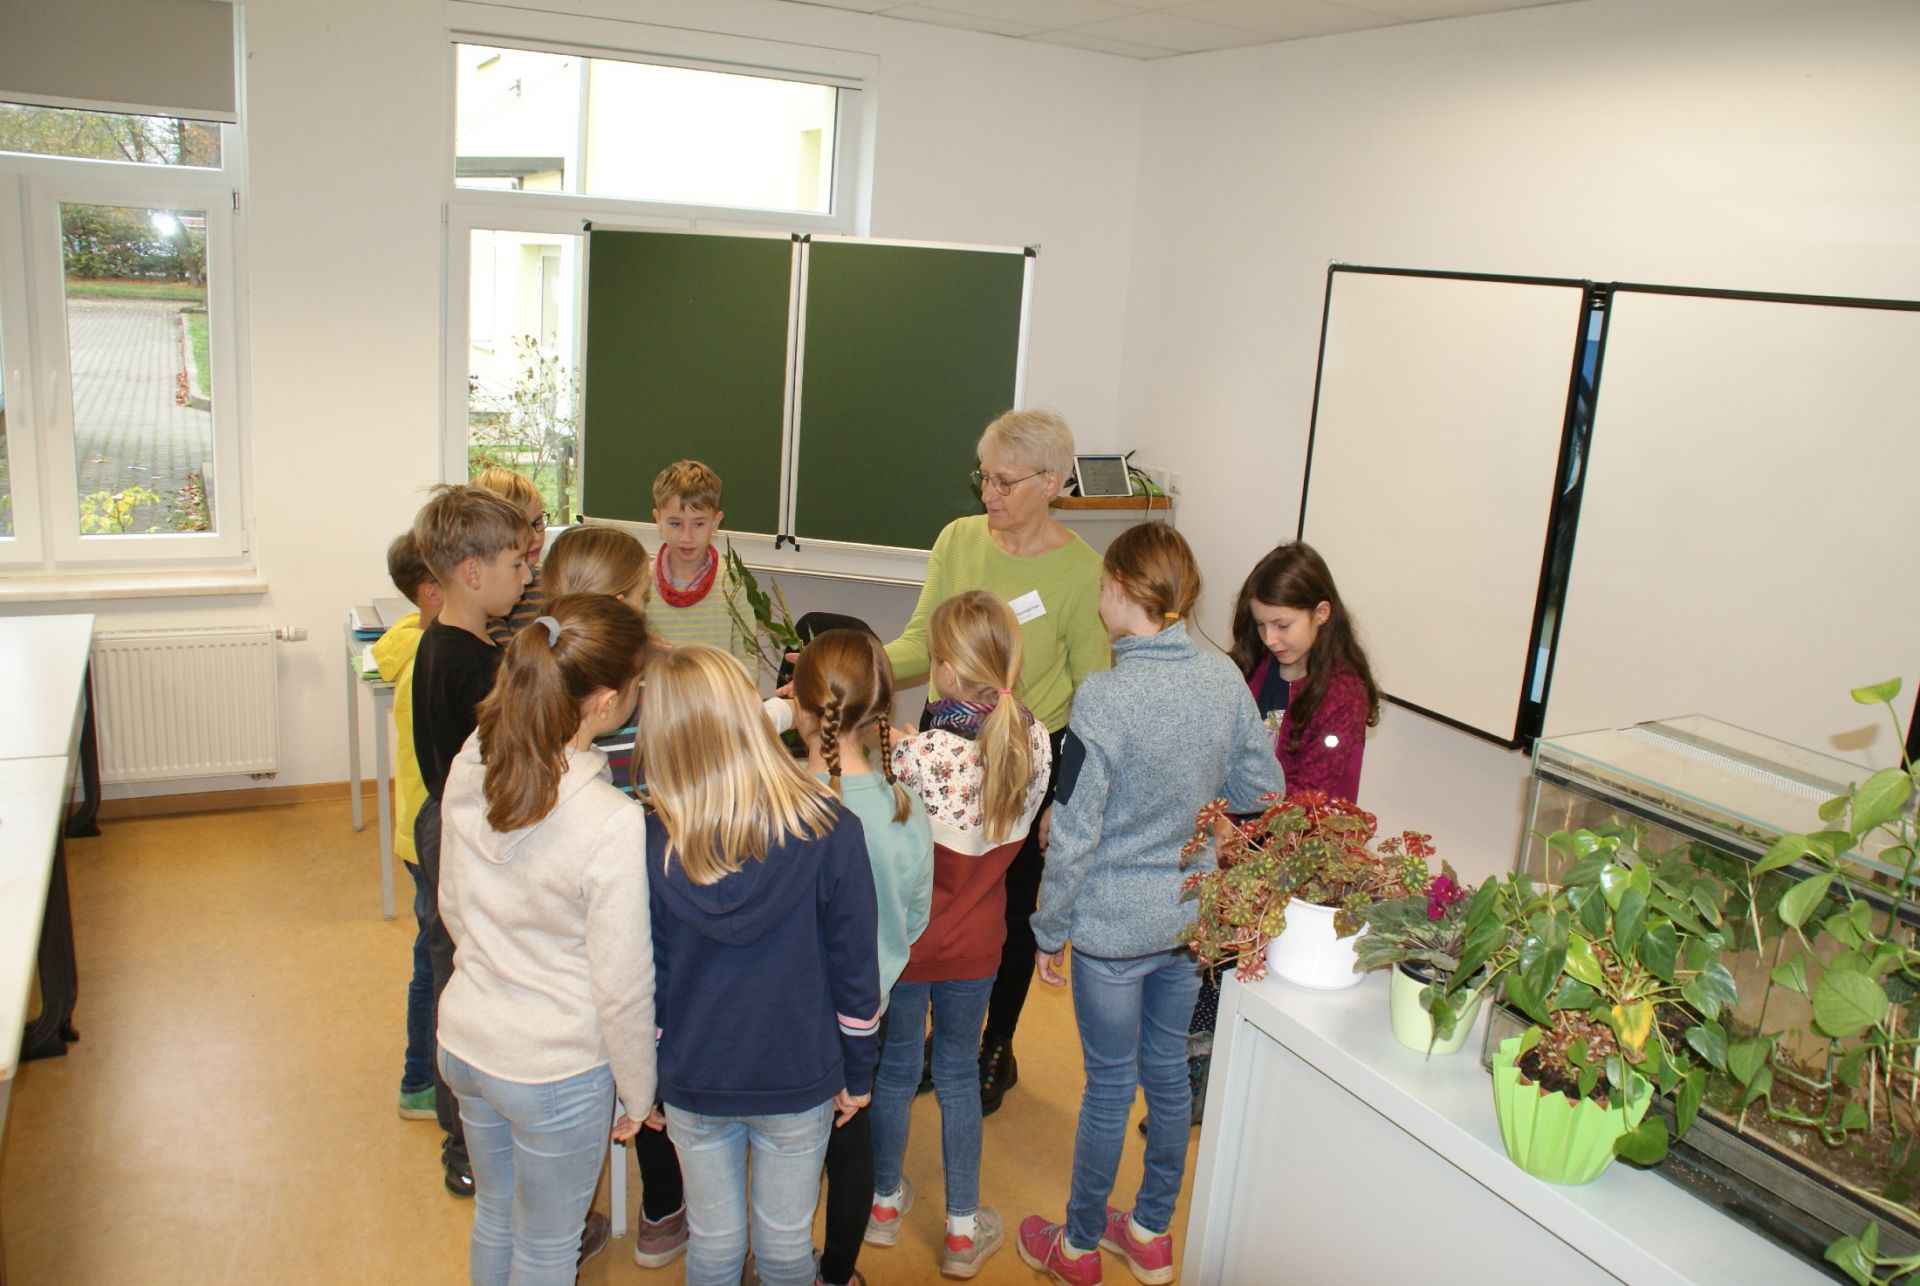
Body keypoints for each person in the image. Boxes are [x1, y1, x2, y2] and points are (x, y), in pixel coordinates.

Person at [1017, 523, 1282, 1286]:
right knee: (1166, 1072)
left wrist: (1049, 929)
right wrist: (1192, 799)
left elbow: (1073, 833)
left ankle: (1076, 1248)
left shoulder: (1103, 698)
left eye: (1103, 584)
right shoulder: (1223, 679)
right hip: (1186, 922)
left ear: (1123, 592)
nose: (1099, 597)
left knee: (1108, 1087)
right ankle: (1150, 1232)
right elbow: (1263, 788)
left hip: (1111, 931)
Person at [883, 409, 1109, 1115]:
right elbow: (921, 644)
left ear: (1052, 482)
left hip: (1026, 761)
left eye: (1005, 481)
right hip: (944, 745)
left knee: (1007, 911)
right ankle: (937, 1033)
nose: (989, 493)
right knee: (928, 896)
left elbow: (1095, 697)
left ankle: (994, 1046)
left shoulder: (1082, 572)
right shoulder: (958, 540)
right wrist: (852, 669)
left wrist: (1067, 802)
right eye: (984, 476)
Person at [642, 646, 882, 1286]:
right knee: (784, 1248)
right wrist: (858, 1069)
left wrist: (645, 1076)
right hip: (799, 1076)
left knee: (714, 1246)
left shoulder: (652, 841)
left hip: (693, 1076)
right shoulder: (833, 829)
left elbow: (650, 979)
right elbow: (856, 973)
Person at [436, 594, 657, 1286]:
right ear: (606, 704)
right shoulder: (610, 821)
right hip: (553, 1069)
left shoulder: (473, 761)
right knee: (547, 1247)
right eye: (637, 685)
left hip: (467, 1039)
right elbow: (621, 984)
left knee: (496, 1216)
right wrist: (639, 1091)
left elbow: (452, 905)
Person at [867, 591, 1052, 1280]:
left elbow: (892, 830)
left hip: (910, 945)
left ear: (944, 672)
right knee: (956, 1074)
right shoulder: (1032, 740)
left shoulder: (918, 754)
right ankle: (962, 1232)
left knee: (894, 1070)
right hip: (978, 947)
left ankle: (883, 1207)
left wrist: (897, 752)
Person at [791, 632, 934, 1286]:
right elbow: (914, 915)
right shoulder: (906, 807)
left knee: (786, 1149)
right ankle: (837, 1273)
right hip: (864, 1012)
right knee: (852, 1143)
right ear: (881, 707)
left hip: (789, 1013)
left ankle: (782, 1261)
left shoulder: (778, 801)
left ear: (800, 706)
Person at [410, 483, 533, 1197]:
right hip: (465, 834)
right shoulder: (474, 664)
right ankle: (466, 1144)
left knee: (455, 971)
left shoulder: (449, 642)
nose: (527, 574)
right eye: (517, 564)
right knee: (464, 980)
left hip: (447, 823)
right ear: (472, 572)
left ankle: (465, 1131)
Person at [373, 532, 445, 1124]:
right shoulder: (431, 654)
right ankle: (419, 1080)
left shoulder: (408, 635)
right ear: (432, 590)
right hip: (431, 835)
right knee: (433, 960)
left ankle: (424, 1075)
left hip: (418, 831)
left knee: (432, 952)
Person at [1229, 540, 1380, 802]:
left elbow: (1308, 795)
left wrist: (1234, 803)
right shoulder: (1254, 666)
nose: (1269, 639)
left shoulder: (1345, 696)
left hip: (1298, 825)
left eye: (1282, 626)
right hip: (1242, 815)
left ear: (1321, 613)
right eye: (1260, 624)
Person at [647, 460, 756, 668]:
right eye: (675, 523)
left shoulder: (732, 582)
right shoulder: (641, 582)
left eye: (698, 524)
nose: (686, 537)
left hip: (716, 689)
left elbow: (747, 657)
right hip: (659, 688)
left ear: (715, 522)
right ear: (658, 520)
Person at [473, 466, 550, 645]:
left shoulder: (551, 579)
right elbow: (509, 658)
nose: (535, 537)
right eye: (522, 528)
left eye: (538, 522)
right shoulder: (488, 598)